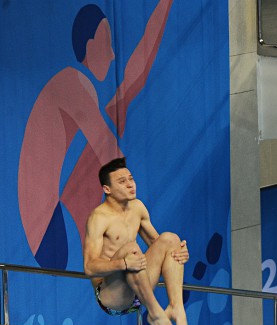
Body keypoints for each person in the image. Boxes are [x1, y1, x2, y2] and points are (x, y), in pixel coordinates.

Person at [18, 1, 174, 269]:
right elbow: (109, 150)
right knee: (120, 111)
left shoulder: (80, 86)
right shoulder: (74, 83)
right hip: (48, 231)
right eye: (107, 43)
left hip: (53, 223)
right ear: (89, 45)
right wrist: (125, 190)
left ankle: (153, 277)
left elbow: (136, 74)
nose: (113, 54)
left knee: (124, 97)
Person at [83, 157, 189, 325]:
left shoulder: (138, 207)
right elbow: (90, 267)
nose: (130, 185)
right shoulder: (99, 218)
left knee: (171, 239)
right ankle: (155, 312)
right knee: (131, 249)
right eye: (122, 182)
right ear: (107, 189)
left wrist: (180, 252)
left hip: (138, 289)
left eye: (131, 179)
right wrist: (122, 263)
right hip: (111, 295)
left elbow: (159, 245)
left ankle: (176, 306)